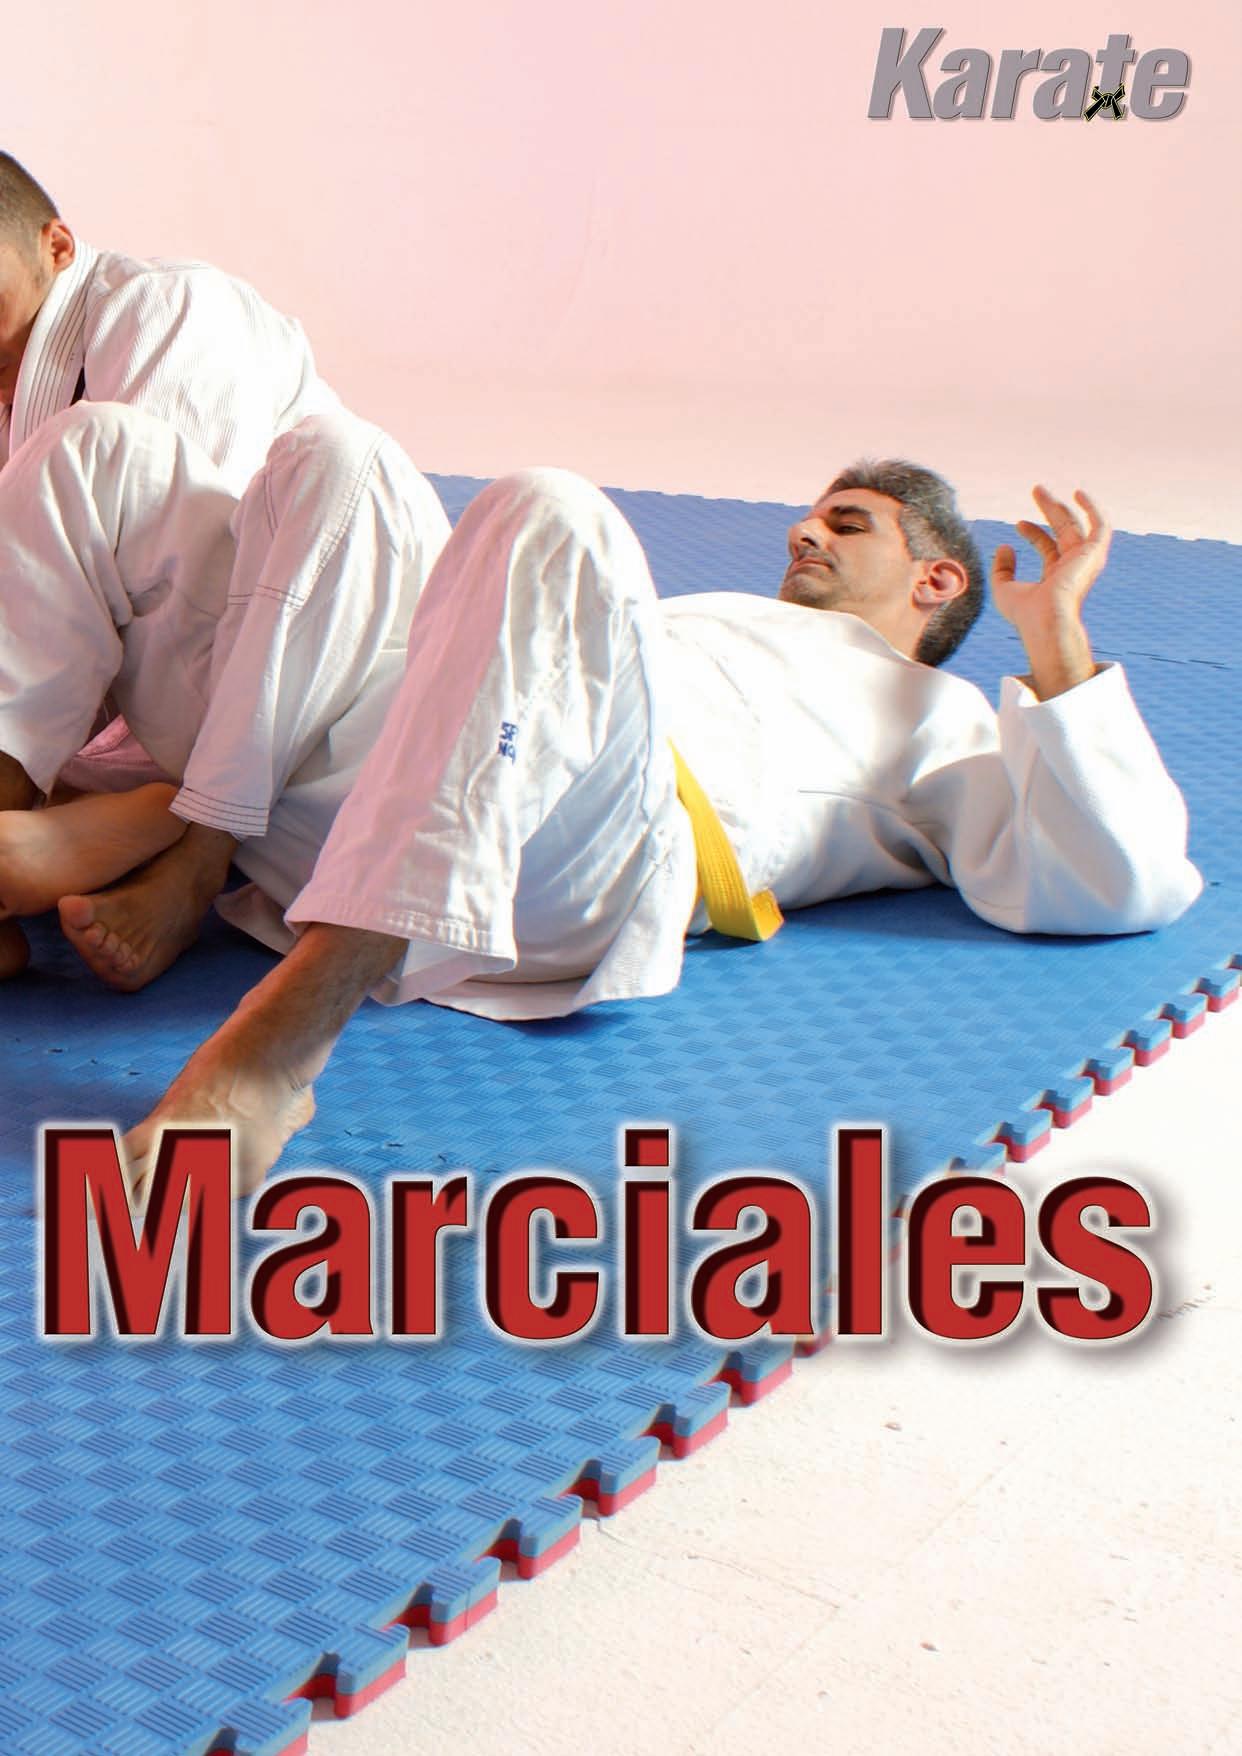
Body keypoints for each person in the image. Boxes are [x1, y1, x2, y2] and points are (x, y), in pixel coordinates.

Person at [1, 455, 1194, 1197]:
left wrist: (1056, 638)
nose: (805, 534)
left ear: (938, 581)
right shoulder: (712, 610)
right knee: (316, 459)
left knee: (549, 507)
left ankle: (273, 1035)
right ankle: (112, 811)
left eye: (849, 522)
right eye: (808, 517)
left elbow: (1121, 881)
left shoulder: (940, 715)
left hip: (583, 856)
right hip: (394, 778)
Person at [0, 150, 450, 981]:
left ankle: (156, 840)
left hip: (325, 641)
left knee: (87, 454)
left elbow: (139, 573)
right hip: (191, 698)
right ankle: (57, 839)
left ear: (55, 245)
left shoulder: (165, 310)